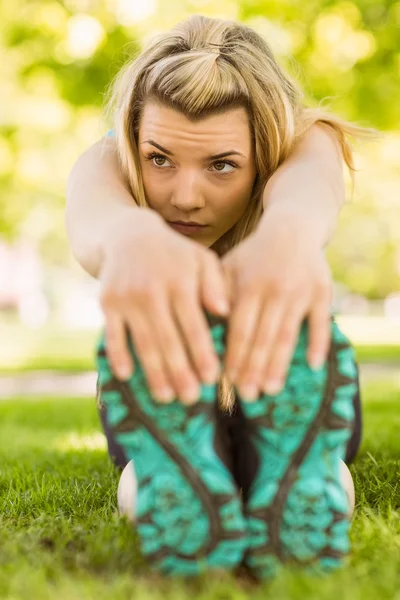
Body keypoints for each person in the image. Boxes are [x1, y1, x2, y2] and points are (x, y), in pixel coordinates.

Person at [66, 14, 375, 580]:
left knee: (300, 442)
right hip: (166, 366)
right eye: (160, 159)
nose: (185, 197)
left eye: (222, 165)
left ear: (264, 154)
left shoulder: (303, 143)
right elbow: (92, 216)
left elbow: (313, 187)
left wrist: (289, 233)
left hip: (279, 358)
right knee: (149, 464)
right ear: (137, 142)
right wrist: (129, 236)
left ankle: (302, 475)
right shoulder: (110, 158)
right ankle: (171, 482)